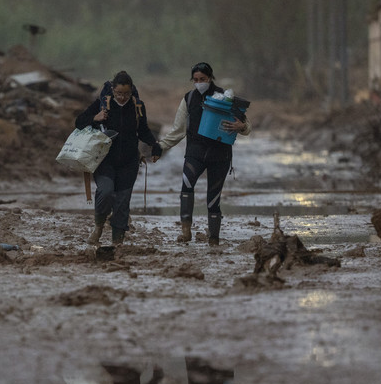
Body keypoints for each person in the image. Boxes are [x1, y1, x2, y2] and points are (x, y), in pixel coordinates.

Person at [157, 62, 252, 246]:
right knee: (186, 185)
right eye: (196, 80)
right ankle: (186, 232)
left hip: (220, 155)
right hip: (195, 152)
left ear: (210, 78)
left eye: (203, 79)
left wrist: (242, 127)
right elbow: (177, 131)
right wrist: (160, 147)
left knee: (214, 198)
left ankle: (214, 238)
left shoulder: (225, 98)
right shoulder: (189, 99)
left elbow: (246, 125)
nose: (199, 83)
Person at [75, 71, 161, 246]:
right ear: (112, 90)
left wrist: (155, 144)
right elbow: (79, 122)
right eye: (119, 94)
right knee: (105, 192)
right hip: (104, 159)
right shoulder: (102, 104)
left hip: (129, 161)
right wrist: (95, 118)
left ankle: (117, 242)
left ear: (132, 91)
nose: (122, 98)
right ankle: (99, 225)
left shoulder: (137, 106)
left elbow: (143, 130)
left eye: (126, 94)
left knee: (122, 202)